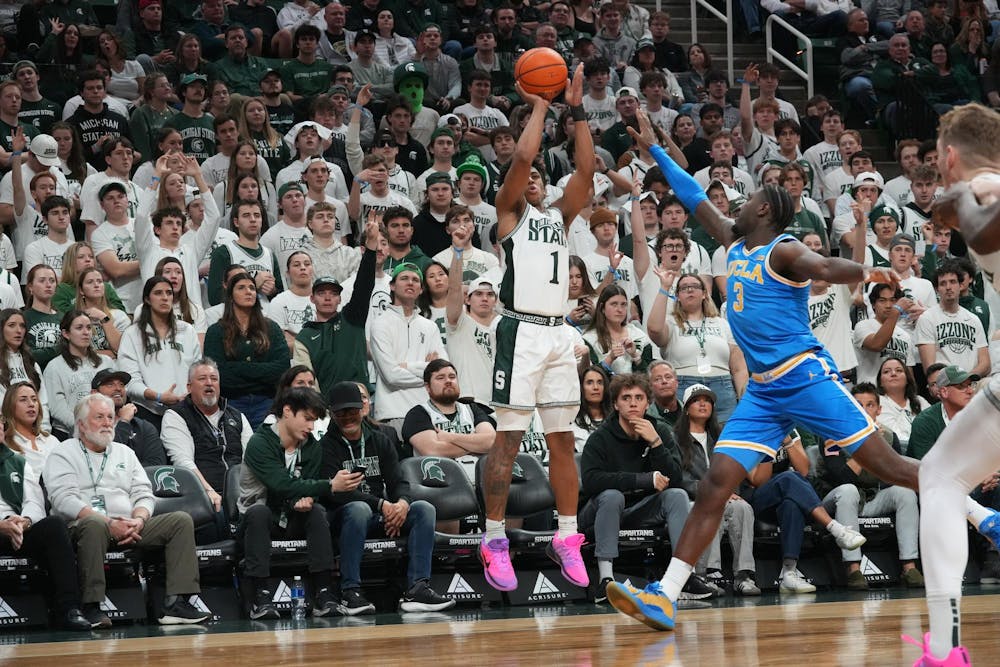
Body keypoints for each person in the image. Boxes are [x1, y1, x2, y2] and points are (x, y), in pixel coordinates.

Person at [606, 107, 920, 632]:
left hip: (806, 377)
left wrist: (865, 268)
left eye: (749, 199)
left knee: (891, 468)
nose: (737, 202)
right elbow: (692, 196)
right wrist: (655, 151)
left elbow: (826, 268)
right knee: (714, 485)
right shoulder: (733, 242)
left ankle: (981, 515)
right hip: (764, 392)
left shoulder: (784, 248)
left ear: (767, 212)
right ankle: (666, 595)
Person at [478, 64, 595, 593]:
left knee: (563, 440)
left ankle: (567, 536)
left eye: (541, 180)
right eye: (529, 180)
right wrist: (541, 103)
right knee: (506, 440)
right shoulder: (508, 214)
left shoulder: (560, 219)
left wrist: (576, 110)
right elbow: (522, 157)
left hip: (556, 332)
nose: (534, 181)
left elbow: (587, 173)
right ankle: (494, 537)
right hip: (519, 333)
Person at [44, 393, 210, 627]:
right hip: (83, 527)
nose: (107, 422)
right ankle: (90, 606)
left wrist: (139, 520)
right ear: (80, 424)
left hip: (130, 526)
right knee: (95, 524)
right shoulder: (64, 452)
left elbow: (144, 493)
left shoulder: (125, 452)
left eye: (110, 417)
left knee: (180, 521)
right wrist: (109, 523)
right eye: (99, 417)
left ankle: (176, 604)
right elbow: (64, 499)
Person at [321, 381, 456, 614]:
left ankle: (417, 588)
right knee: (358, 509)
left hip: (381, 516)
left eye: (352, 410)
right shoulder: (324, 447)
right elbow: (335, 493)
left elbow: (399, 483)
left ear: (363, 409)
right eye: (341, 412)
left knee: (424, 508)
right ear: (331, 414)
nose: (347, 417)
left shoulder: (380, 440)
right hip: (345, 518)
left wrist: (402, 504)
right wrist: (382, 505)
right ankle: (349, 591)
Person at [579, 373, 698, 604]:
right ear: (615, 403)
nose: (633, 403)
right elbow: (592, 481)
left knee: (677, 495)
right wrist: (643, 480)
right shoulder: (600, 437)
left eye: (639, 397)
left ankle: (684, 576)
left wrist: (656, 444)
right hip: (598, 514)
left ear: (648, 403)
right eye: (626, 398)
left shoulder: (660, 431)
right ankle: (606, 580)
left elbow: (675, 479)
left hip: (639, 511)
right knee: (612, 496)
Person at [237, 387, 346, 619]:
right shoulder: (259, 443)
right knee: (258, 513)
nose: (311, 427)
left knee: (316, 512)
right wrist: (328, 486)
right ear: (287, 411)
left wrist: (309, 498)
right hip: (258, 523)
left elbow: (308, 485)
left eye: (314, 421)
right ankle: (261, 596)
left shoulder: (312, 447)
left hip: (292, 519)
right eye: (307, 419)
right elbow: (282, 485)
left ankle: (324, 593)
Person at [818, 382, 925, 590]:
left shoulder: (888, 436)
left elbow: (891, 478)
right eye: (858, 405)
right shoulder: (832, 436)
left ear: (878, 410)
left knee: (904, 492)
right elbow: (842, 478)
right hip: (834, 501)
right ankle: (854, 569)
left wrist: (876, 441)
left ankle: (909, 566)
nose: (864, 410)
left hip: (871, 497)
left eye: (869, 405)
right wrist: (865, 445)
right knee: (848, 491)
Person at [0, 414, 91, 630]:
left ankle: (68, 608)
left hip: (18, 530)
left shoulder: (17, 461)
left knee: (54, 526)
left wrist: (25, 522)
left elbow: (34, 501)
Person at [673, 384, 760, 596]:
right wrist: (711, 492)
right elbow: (677, 478)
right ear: (686, 408)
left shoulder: (722, 437)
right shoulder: (675, 438)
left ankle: (743, 575)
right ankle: (708, 573)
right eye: (696, 400)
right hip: (692, 498)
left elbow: (734, 469)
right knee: (711, 506)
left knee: (743, 508)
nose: (703, 403)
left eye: (707, 400)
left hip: (721, 495)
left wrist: (728, 490)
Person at [647, 270, 745, 424]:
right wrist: (664, 288)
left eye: (694, 286)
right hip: (684, 387)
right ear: (678, 296)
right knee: (686, 442)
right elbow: (654, 329)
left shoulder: (722, 323)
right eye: (684, 288)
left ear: (705, 294)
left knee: (724, 443)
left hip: (722, 388)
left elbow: (739, 367)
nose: (690, 290)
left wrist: (743, 399)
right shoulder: (671, 322)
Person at [161, 358, 251, 512]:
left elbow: (251, 459)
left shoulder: (237, 416)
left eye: (214, 379)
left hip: (240, 493)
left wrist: (249, 494)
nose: (209, 383)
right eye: (202, 379)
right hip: (200, 495)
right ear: (189, 387)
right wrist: (208, 492)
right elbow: (184, 462)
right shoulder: (176, 416)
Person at [204, 272, 290, 428]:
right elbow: (218, 374)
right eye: (241, 288)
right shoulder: (216, 331)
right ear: (230, 295)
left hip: (267, 403)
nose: (248, 291)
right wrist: (262, 373)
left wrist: (238, 368)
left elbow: (282, 369)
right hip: (231, 402)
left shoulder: (271, 328)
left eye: (252, 288)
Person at [118, 277, 202, 430]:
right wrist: (158, 396)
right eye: (158, 293)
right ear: (147, 299)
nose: (165, 297)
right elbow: (130, 381)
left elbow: (197, 371)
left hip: (186, 410)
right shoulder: (132, 334)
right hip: (148, 413)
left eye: (169, 293)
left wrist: (190, 396)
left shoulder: (187, 330)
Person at [42, 310, 114, 439]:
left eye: (88, 328)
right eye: (79, 328)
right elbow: (57, 406)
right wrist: (82, 426)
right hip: (69, 433)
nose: (86, 332)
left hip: (104, 430)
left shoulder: (106, 362)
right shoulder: (54, 367)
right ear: (66, 333)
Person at [90, 367, 167, 467]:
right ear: (94, 393)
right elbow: (102, 461)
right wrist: (124, 422)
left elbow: (156, 465)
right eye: (110, 384)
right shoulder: (87, 427)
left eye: (121, 384)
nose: (118, 388)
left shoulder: (144, 427)